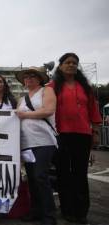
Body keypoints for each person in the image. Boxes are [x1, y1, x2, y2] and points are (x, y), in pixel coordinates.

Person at [47, 53, 102, 224]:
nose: (71, 65)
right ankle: (67, 210)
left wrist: (96, 133)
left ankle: (81, 212)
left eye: (74, 63)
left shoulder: (86, 87)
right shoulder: (52, 86)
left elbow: (94, 111)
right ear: (60, 65)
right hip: (60, 135)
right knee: (63, 174)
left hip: (83, 135)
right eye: (67, 62)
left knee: (80, 174)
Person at [15, 66, 57, 225]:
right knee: (32, 178)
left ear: (40, 78)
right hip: (27, 143)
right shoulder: (22, 98)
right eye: (26, 76)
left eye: (33, 75)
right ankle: (36, 211)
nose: (29, 78)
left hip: (43, 141)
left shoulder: (47, 91)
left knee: (40, 176)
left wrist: (24, 115)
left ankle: (49, 216)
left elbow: (49, 110)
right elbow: (15, 115)